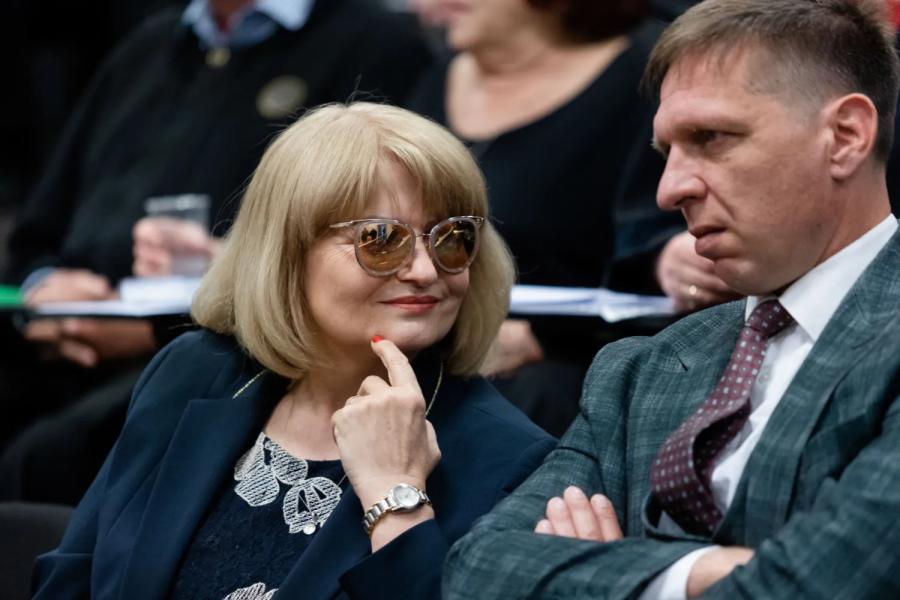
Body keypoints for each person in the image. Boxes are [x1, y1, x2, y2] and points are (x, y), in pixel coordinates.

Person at [444, 0, 900, 598]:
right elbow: (477, 570)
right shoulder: (638, 370)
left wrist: (612, 573)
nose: (668, 190)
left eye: (711, 138)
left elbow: (814, 587)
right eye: (666, 153)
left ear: (845, 137)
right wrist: (701, 572)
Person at [32, 102, 554, 599]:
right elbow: (74, 574)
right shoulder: (193, 370)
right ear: (287, 251)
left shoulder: (509, 458)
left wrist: (394, 496)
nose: (424, 269)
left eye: (453, 237)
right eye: (380, 238)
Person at [0, 0, 432, 502]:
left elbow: (375, 250)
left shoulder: (376, 44)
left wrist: (168, 315)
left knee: (47, 455)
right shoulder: (150, 43)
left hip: (222, 351)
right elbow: (36, 233)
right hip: (54, 344)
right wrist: (45, 287)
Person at [405, 0, 733, 435]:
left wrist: (547, 338)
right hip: (430, 351)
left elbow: (656, 242)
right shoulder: (429, 69)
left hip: (562, 379)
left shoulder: (649, 76)